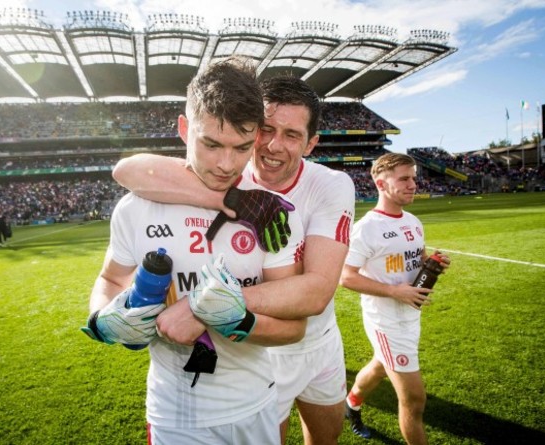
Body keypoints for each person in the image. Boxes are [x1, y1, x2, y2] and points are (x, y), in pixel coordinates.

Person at [113, 75, 356, 444]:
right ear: (253, 129)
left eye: (291, 135)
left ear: (311, 144)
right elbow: (126, 170)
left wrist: (202, 305)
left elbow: (317, 290)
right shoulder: (226, 171)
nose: (274, 145)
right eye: (267, 130)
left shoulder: (330, 185)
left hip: (316, 339)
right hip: (259, 349)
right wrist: (229, 200)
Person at [84, 56, 307, 445]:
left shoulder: (271, 216)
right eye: (211, 144)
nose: (225, 164)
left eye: (241, 147)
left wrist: (239, 320)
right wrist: (104, 317)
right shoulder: (135, 208)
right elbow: (110, 279)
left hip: (256, 406)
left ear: (255, 137)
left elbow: (294, 328)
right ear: (185, 129)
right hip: (176, 415)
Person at [339, 153, 450, 444]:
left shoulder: (413, 221)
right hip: (386, 320)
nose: (413, 184)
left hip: (410, 314)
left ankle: (351, 403)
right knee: (414, 399)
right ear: (381, 183)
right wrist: (394, 291)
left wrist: (433, 263)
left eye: (413, 177)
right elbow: (345, 276)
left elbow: (417, 259)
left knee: (379, 365)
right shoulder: (367, 228)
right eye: (404, 178)